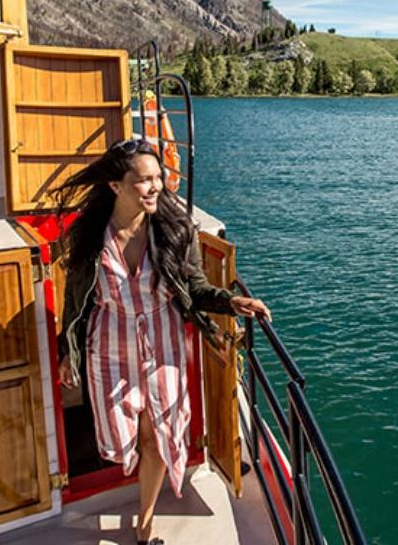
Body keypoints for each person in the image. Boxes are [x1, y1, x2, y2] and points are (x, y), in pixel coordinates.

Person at [53, 138, 270, 545]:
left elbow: (196, 287)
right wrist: (70, 351)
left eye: (159, 178)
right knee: (122, 437)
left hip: (162, 340)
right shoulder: (89, 236)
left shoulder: (174, 230)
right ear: (116, 185)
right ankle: (132, 475)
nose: (156, 187)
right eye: (144, 180)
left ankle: (145, 522)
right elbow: (74, 302)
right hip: (110, 341)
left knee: (157, 434)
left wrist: (232, 301)